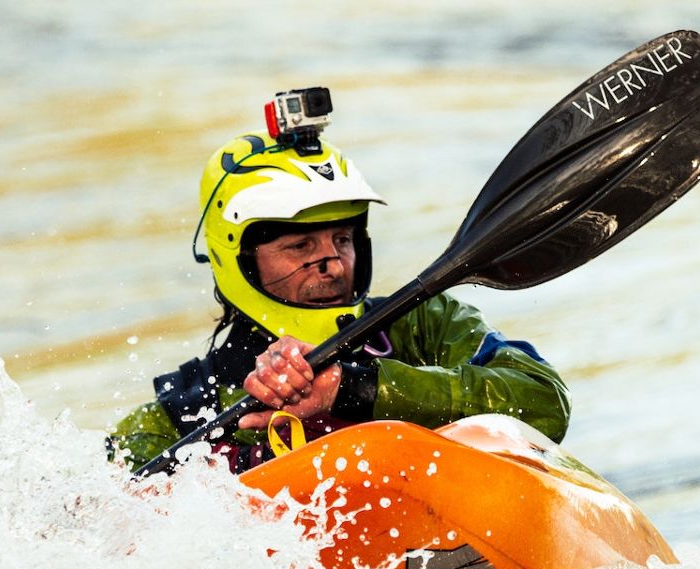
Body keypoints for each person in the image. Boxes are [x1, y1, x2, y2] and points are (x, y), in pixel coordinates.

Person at [109, 121, 570, 473]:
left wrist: (355, 388)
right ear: (241, 259)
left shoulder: (425, 321)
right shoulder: (185, 410)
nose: (332, 263)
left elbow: (545, 403)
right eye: (300, 247)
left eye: (343, 239)